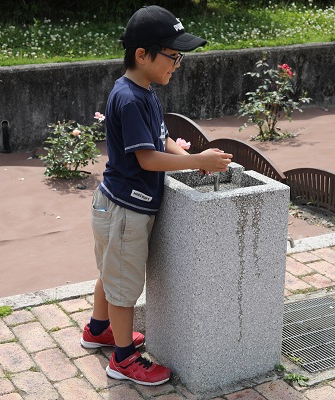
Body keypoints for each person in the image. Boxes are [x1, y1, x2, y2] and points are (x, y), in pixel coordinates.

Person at [80, 5, 233, 386]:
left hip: (118, 205)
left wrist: (188, 159)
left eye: (179, 57)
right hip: (125, 211)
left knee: (112, 274)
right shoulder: (130, 98)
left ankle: (99, 330)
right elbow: (147, 159)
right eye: (172, 55)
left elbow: (160, 139)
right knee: (124, 287)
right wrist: (198, 158)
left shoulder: (143, 91)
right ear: (142, 55)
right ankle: (123, 359)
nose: (177, 64)